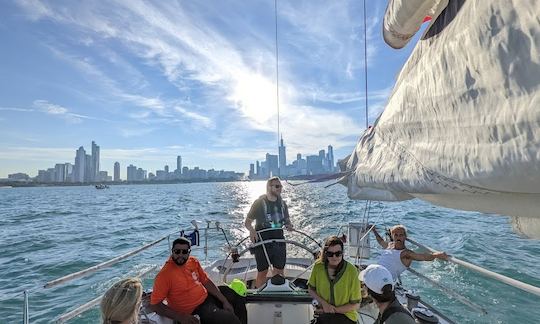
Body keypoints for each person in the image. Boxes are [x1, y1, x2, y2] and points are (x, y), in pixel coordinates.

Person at [150, 237, 246, 324]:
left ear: (189, 252)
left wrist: (224, 300)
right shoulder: (165, 275)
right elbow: (155, 305)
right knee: (228, 319)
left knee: (236, 297)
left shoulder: (193, 261)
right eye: (177, 251)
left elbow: (205, 281)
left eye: (184, 252)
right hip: (195, 309)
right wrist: (180, 317)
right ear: (172, 252)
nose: (180, 255)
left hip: (207, 297)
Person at [244, 176, 294, 288]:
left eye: (280, 186)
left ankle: (278, 293)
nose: (280, 188)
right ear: (269, 187)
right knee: (262, 272)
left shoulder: (282, 204)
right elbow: (247, 222)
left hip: (279, 242)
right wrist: (252, 231)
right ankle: (259, 295)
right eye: (277, 186)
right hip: (262, 243)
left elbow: (287, 220)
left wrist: (289, 225)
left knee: (279, 272)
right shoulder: (258, 203)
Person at [308, 236, 361, 324]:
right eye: (330, 254)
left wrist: (333, 310)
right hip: (324, 314)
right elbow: (311, 289)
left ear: (342, 253)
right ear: (325, 254)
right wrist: (324, 304)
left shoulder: (352, 271)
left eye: (338, 253)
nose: (334, 257)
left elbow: (355, 304)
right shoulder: (318, 267)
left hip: (346, 316)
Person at [372, 224, 448, 281]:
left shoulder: (406, 254)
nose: (398, 237)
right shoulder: (390, 245)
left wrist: (437, 255)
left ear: (405, 236)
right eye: (396, 235)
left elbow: (424, 257)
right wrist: (374, 231)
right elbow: (381, 241)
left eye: (401, 235)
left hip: (384, 280)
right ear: (392, 236)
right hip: (375, 272)